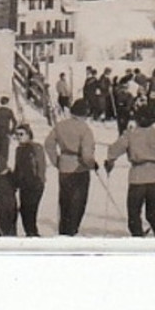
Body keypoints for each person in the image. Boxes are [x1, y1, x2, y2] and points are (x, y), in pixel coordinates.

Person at [105, 101, 155, 237]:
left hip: (137, 176)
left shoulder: (130, 134)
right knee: (152, 210)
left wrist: (110, 160)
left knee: (134, 211)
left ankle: (137, 235)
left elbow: (114, 149)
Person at [44, 100, 99, 236]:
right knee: (78, 202)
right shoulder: (85, 129)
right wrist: (92, 164)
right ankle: (72, 231)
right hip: (79, 169)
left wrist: (56, 160)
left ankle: (64, 229)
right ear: (84, 113)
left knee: (65, 200)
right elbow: (86, 154)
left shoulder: (60, 126)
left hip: (64, 166)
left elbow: (48, 143)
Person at [10, 124, 49, 237]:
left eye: (21, 134)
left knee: (30, 210)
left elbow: (41, 165)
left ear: (28, 134)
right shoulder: (19, 150)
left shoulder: (35, 147)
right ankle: (30, 233)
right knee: (24, 210)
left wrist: (40, 180)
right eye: (16, 134)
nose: (18, 137)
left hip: (34, 184)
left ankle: (33, 233)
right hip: (24, 185)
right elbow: (17, 167)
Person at [0, 96, 16, 168]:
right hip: (6, 131)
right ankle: (4, 164)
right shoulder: (9, 111)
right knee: (5, 148)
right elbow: (15, 122)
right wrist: (12, 132)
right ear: (7, 103)